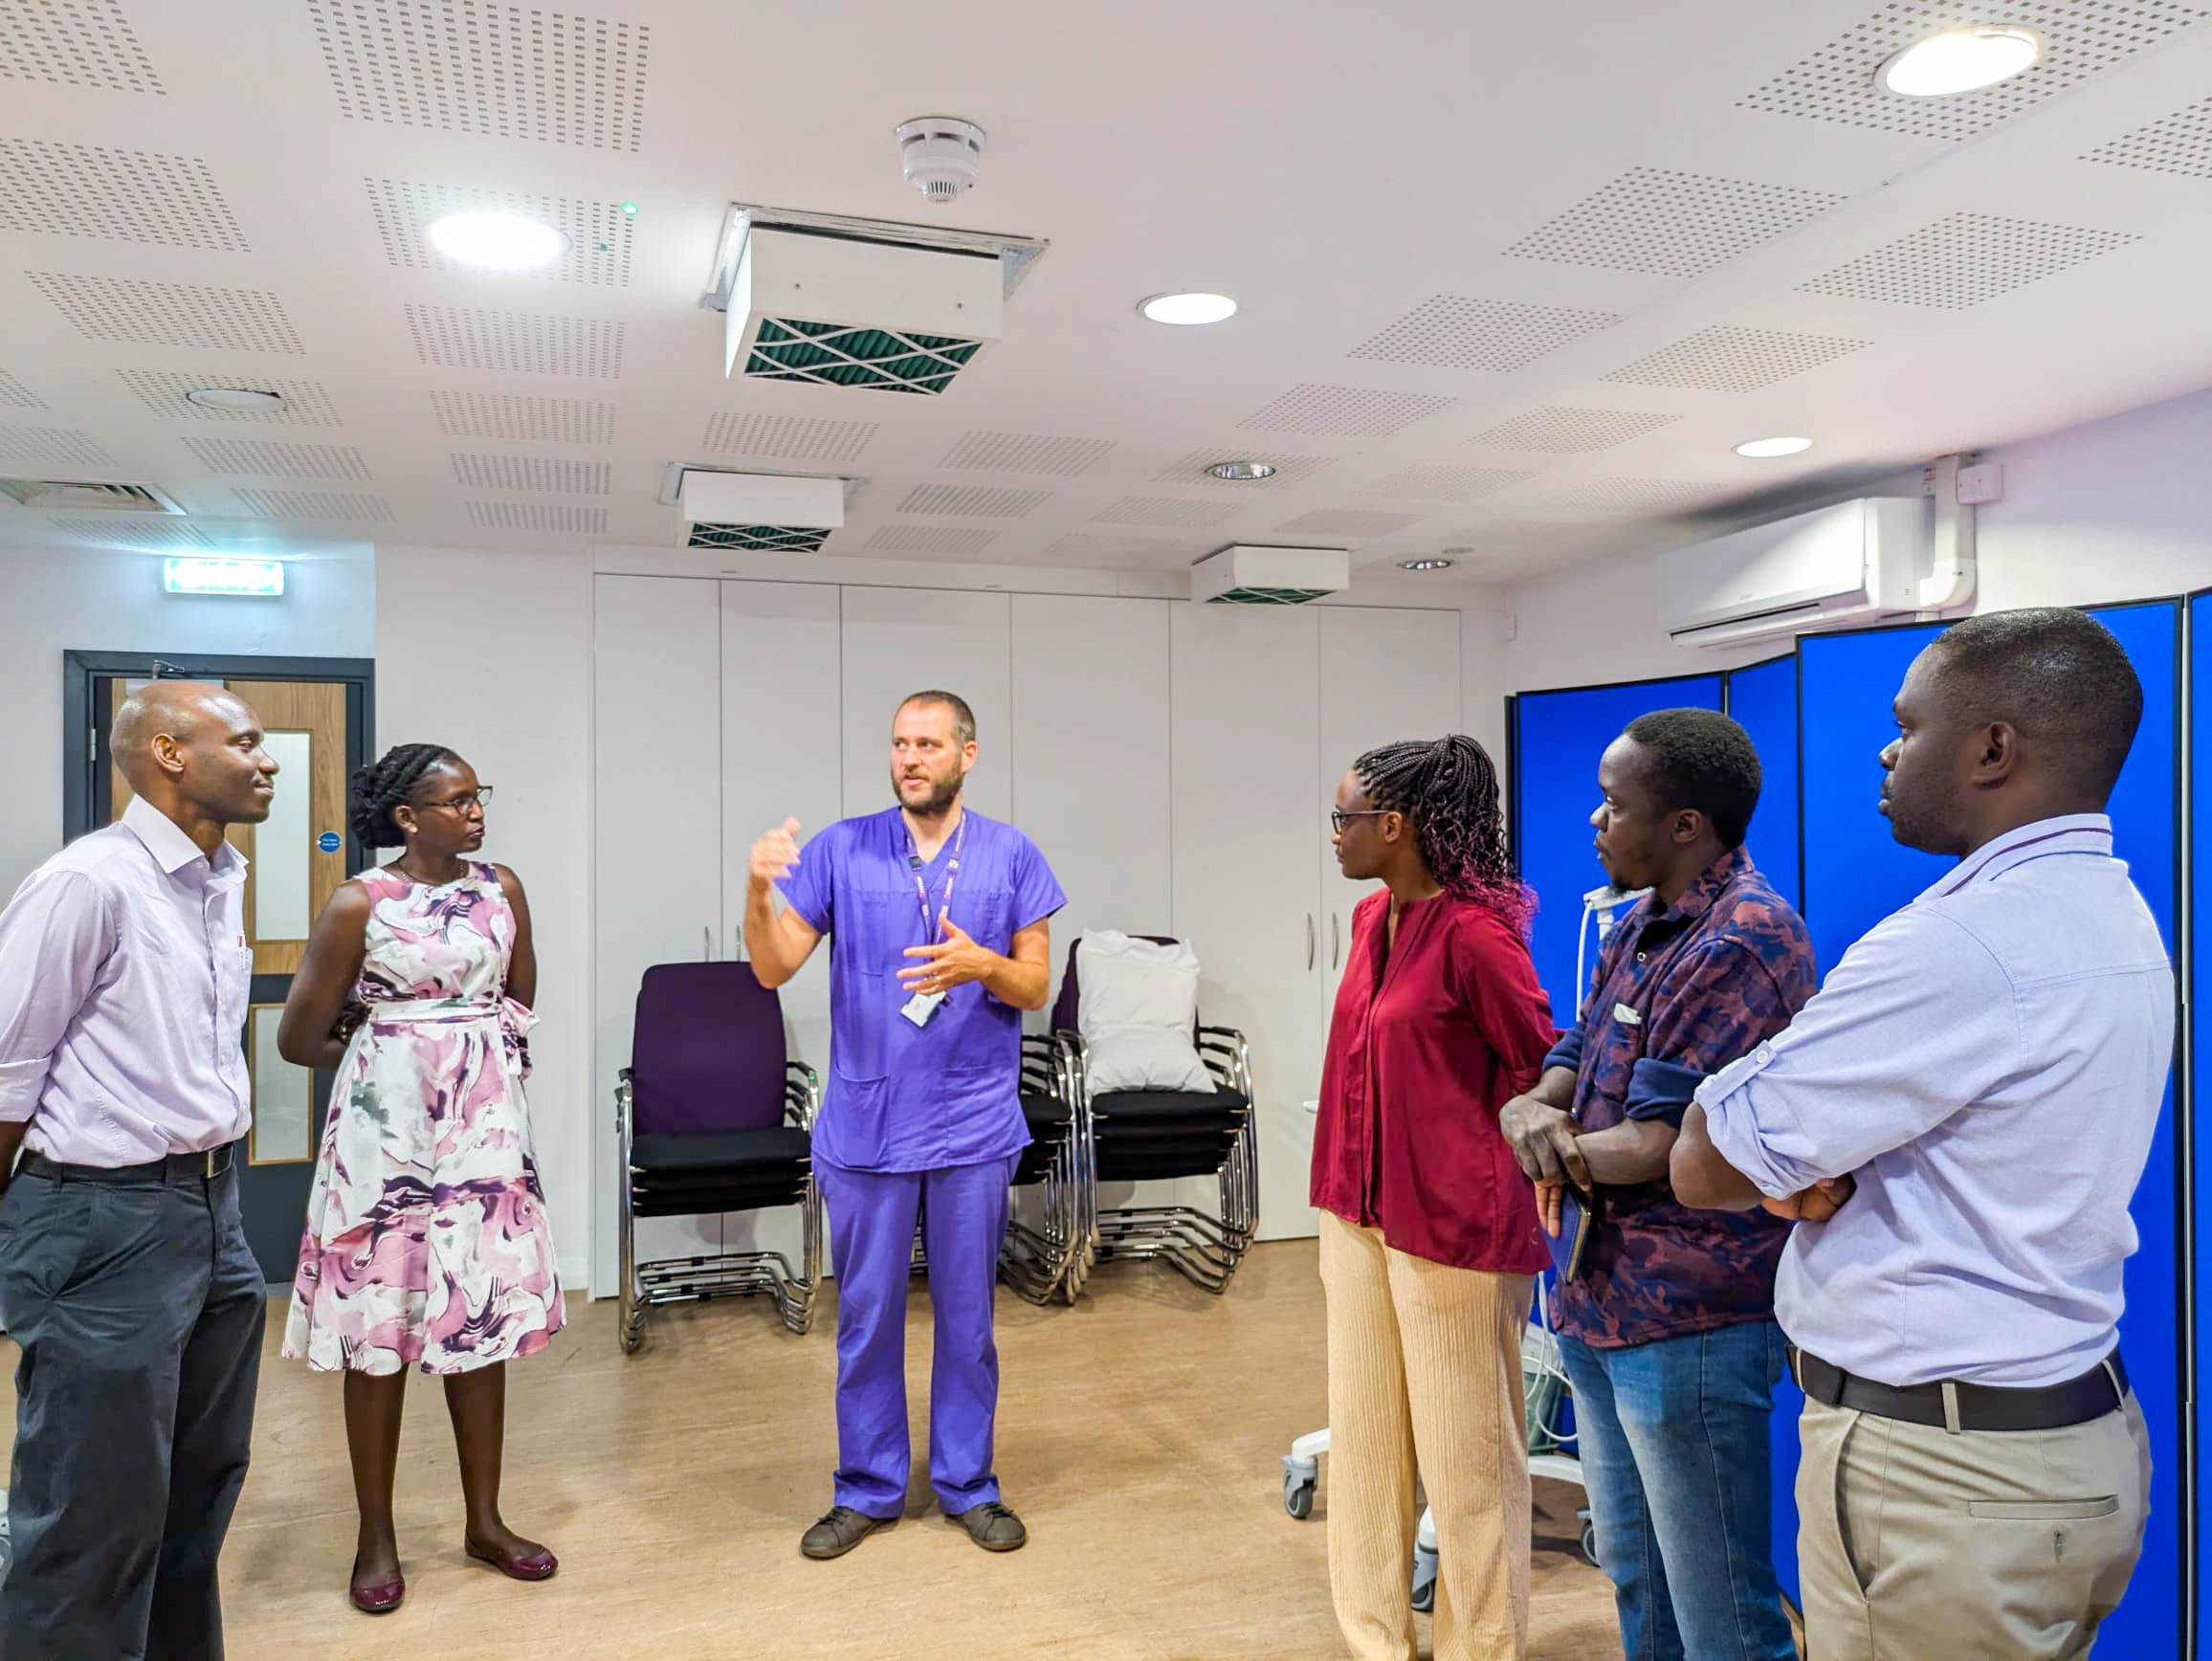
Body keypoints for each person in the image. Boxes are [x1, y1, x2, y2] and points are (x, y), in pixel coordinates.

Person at [1672, 608, 2166, 1660]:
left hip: (1940, 1476)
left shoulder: (1956, 943)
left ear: (1991, 747)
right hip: (2070, 1447)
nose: (1886, 749)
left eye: (1908, 724)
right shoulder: (2114, 914)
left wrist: (1762, 1125)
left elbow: (1706, 1158)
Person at [1497, 709, 1813, 1661]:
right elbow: (1574, 1046)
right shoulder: (1640, 922)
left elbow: (1666, 1139)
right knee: (1637, 1572)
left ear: (1683, 823)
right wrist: (1534, 1101)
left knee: (1720, 1609)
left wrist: (1548, 1137)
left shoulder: (1744, 939)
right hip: (1600, 1299)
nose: (1594, 820)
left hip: (1691, 1322)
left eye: (1612, 802)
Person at [744, 690, 1064, 1560]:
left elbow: (1035, 987)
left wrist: (984, 963)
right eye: (898, 743)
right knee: (868, 1318)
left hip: (971, 1126)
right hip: (868, 1126)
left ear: (967, 754)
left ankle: (969, 1484)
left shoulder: (1011, 856)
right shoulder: (844, 849)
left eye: (927, 744)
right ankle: (869, 1487)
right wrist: (756, 889)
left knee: (968, 1320)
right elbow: (773, 966)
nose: (909, 758)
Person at [0, 681, 277, 1658]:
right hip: (102, 1218)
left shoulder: (216, 880)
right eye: (242, 741)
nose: (266, 757)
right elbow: (5, 1069)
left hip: (213, 1208)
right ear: (167, 751)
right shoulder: (91, 881)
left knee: (195, 1496)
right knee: (90, 1514)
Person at [278, 744, 564, 1614]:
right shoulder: (359, 903)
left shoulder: (501, 889)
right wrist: (388, 1052)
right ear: (408, 817)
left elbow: (517, 999)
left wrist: (470, 1064)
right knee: (381, 1323)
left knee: (477, 1314)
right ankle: (376, 1538)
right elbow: (299, 1039)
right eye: (458, 800)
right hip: (385, 1141)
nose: (477, 813)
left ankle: (485, 1521)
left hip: (482, 1135)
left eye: (480, 796)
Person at [1310, 736, 1556, 1661]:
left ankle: (1478, 1647)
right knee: (1368, 1449)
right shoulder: (1374, 921)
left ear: (1396, 825)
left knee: (1469, 1468)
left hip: (1451, 1227)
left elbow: (1541, 1065)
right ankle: (1375, 1640)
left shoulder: (1475, 933)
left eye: (1345, 818)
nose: (1334, 835)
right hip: (1356, 1209)